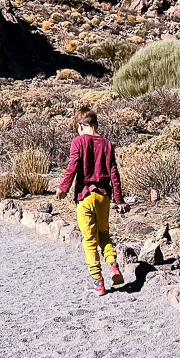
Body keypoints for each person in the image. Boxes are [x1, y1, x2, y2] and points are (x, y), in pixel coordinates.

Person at [56, 108, 128, 297]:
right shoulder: (107, 144)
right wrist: (119, 200)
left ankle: (98, 282)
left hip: (85, 196)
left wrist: (63, 188)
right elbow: (114, 173)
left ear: (81, 126)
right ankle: (113, 265)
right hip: (103, 197)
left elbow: (73, 166)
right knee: (104, 234)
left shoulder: (78, 142)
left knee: (89, 240)